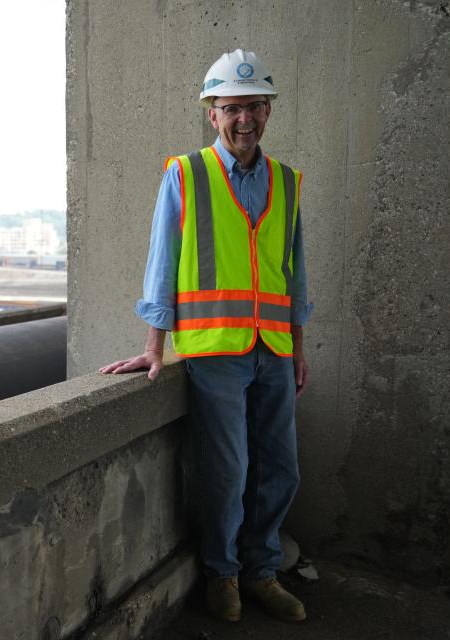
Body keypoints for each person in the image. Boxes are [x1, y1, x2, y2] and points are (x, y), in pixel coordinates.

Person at [100, 49, 310, 623]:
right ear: (212, 114)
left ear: (269, 112)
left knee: (281, 469)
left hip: (274, 350)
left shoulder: (288, 183)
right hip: (214, 351)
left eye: (256, 107)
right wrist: (153, 347)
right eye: (233, 107)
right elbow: (162, 263)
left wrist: (298, 345)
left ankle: (262, 571)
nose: (246, 118)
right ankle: (224, 576)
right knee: (229, 471)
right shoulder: (186, 174)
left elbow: (295, 271)